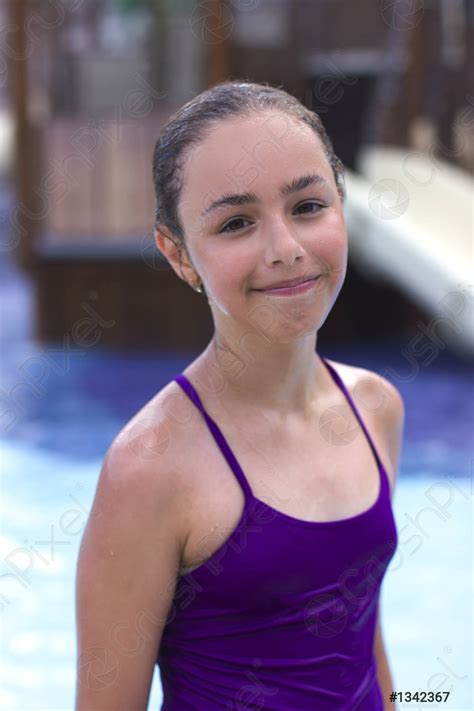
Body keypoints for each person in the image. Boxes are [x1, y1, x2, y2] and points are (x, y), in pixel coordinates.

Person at [75, 80, 404, 710]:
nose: (286, 249)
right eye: (236, 223)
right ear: (178, 255)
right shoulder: (150, 468)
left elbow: (361, 643)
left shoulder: (375, 408)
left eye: (308, 206)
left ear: (342, 204)